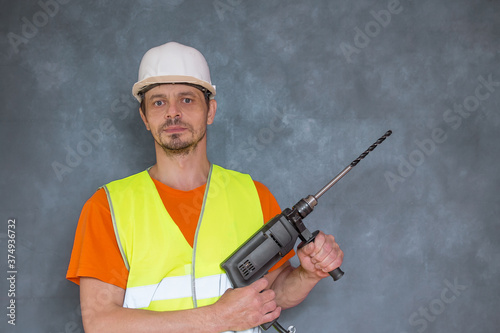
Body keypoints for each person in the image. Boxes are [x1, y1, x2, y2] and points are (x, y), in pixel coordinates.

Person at [66, 41, 343, 333]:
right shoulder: (107, 206)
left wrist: (307, 275)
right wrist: (215, 318)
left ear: (210, 111)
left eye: (187, 100)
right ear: (145, 117)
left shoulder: (253, 195)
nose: (173, 113)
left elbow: (271, 294)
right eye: (159, 102)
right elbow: (100, 323)